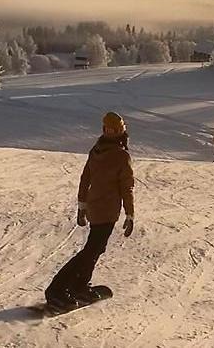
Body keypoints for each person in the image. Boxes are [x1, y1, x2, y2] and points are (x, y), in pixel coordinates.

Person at [45, 112, 135, 308]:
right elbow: (126, 188)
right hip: (107, 210)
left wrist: (82, 205)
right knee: (91, 250)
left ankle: (79, 284)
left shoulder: (96, 150)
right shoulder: (121, 155)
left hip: (95, 207)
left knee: (95, 248)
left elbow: (85, 179)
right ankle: (57, 289)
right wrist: (130, 214)